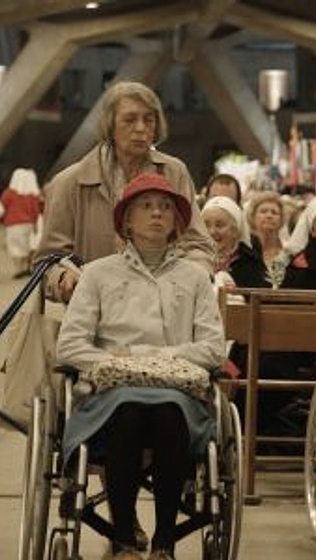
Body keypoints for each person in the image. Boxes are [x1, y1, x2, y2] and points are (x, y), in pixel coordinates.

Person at [57, 173, 225, 560]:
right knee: (129, 414)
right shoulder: (98, 273)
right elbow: (70, 345)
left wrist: (159, 358)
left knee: (167, 413)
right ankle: (123, 540)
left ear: (177, 222)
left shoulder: (195, 278)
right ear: (126, 221)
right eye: (146, 207)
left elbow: (213, 348)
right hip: (113, 389)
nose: (156, 214)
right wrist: (113, 360)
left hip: (176, 388)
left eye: (165, 207)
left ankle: (164, 543)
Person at [37, 81, 213, 302]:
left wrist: (195, 275)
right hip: (97, 317)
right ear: (110, 125)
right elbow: (46, 264)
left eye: (149, 120)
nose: (141, 128)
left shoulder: (174, 172)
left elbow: (198, 243)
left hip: (167, 311)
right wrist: (62, 277)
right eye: (130, 120)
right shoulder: (69, 182)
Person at [202, 196, 267, 289]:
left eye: (219, 225)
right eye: (206, 225)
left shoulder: (251, 263)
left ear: (235, 230)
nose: (212, 231)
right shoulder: (192, 259)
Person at [0, 168, 43, 278]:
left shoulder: (9, 193)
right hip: (28, 224)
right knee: (26, 246)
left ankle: (19, 269)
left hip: (13, 224)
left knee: (15, 247)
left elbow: (1, 207)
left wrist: (0, 220)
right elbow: (36, 210)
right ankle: (25, 268)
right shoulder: (33, 195)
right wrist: (34, 224)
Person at [246, 191, 286, 278]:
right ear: (253, 217)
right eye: (263, 211)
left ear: (281, 219)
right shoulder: (245, 250)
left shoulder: (287, 251)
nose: (269, 215)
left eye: (274, 212)